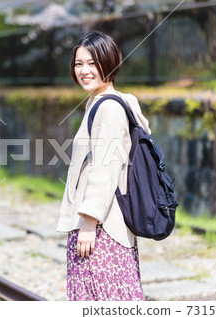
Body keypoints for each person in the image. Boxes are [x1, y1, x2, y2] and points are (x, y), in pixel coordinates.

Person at [56, 31, 152, 301]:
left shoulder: (108, 109)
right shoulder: (98, 104)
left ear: (109, 63)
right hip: (100, 224)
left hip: (102, 229)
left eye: (92, 63)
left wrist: (89, 222)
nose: (84, 71)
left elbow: (105, 169)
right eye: (78, 64)